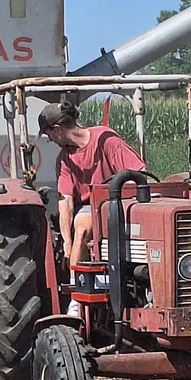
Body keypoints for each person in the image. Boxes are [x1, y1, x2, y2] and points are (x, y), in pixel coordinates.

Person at [37, 101, 146, 315]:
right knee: (83, 225)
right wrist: (67, 243)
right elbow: (65, 200)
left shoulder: (106, 140)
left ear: (57, 130)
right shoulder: (65, 160)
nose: (49, 140)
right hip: (89, 208)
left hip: (121, 202)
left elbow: (138, 174)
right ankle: (77, 297)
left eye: (48, 134)